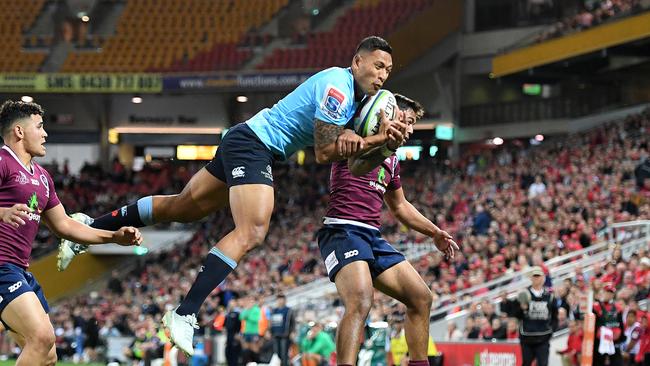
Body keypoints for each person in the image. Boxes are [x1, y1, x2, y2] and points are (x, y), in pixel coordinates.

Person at [57, 35, 406, 356]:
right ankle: (184, 313)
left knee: (183, 207)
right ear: (357, 62)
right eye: (377, 66)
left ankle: (87, 227)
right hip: (256, 145)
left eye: (388, 70)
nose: (382, 75)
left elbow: (352, 156)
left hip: (249, 140)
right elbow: (325, 153)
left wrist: (379, 141)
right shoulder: (339, 88)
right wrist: (378, 140)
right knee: (252, 230)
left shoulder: (361, 100)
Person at [316, 94, 457, 366]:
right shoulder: (357, 132)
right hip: (342, 231)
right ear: (390, 111)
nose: (412, 128)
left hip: (371, 236)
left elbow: (400, 206)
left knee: (421, 298)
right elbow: (338, 147)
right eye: (411, 121)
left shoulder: (392, 158)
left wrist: (435, 232)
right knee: (360, 301)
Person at [0, 100, 142, 365]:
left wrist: (113, 237)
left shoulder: (43, 177)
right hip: (1, 268)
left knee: (48, 355)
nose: (45, 134)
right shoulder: (2, 162)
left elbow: (64, 225)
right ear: (19, 131)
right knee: (41, 338)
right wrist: (2, 212)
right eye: (40, 127)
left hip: (19, 270)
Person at [512, 266, 558, 366]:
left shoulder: (550, 296)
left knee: (543, 364)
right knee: (526, 363)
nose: (537, 278)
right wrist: (522, 308)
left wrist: (551, 330)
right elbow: (515, 315)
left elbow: (555, 316)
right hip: (527, 337)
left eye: (538, 276)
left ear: (543, 278)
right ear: (531, 278)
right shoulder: (523, 294)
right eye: (534, 276)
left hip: (543, 337)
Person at [593, 284, 625, 366]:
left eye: (611, 293)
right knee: (599, 362)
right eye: (607, 292)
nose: (609, 294)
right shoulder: (595, 307)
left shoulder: (618, 308)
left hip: (614, 340)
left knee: (617, 362)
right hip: (600, 341)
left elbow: (620, 323)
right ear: (603, 292)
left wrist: (621, 337)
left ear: (613, 295)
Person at [270, 293, 295, 366]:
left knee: (284, 354)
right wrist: (269, 331)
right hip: (275, 335)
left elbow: (293, 322)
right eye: (278, 299)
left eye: (281, 299)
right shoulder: (274, 310)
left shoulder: (288, 310)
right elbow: (271, 322)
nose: (280, 301)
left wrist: (292, 332)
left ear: (285, 300)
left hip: (285, 335)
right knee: (277, 354)